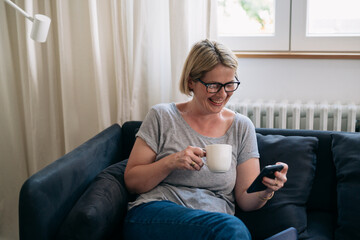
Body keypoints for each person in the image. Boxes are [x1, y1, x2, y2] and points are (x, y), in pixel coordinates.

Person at [123, 39, 288, 240]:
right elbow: (132, 182)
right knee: (231, 229)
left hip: (213, 223)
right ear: (192, 81)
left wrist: (266, 190)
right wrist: (171, 162)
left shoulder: (241, 126)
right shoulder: (162, 116)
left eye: (229, 85)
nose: (222, 94)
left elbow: (245, 200)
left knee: (227, 228)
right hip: (156, 213)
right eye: (213, 85)